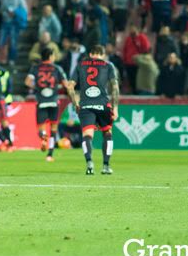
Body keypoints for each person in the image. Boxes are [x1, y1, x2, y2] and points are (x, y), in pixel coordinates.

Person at [66, 45, 119, 175]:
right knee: (107, 133)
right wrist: (115, 107)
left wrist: (75, 103)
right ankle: (106, 166)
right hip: (103, 104)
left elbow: (70, 86)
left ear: (90, 54)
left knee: (87, 135)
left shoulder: (81, 64)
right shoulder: (108, 65)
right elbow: (115, 87)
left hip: (86, 104)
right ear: (103, 54)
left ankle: (89, 163)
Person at [25, 47, 69, 162]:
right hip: (54, 101)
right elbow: (66, 84)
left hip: (41, 101)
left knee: (41, 128)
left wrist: (38, 87)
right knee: (54, 129)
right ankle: (50, 154)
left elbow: (27, 82)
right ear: (50, 56)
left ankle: (43, 137)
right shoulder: (57, 68)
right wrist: (57, 87)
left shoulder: (35, 68)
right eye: (53, 55)